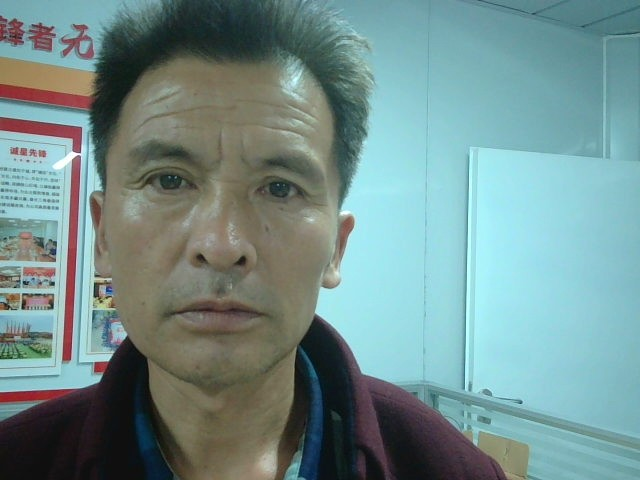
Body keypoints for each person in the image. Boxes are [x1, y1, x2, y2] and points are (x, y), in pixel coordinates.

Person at [0, 1, 506, 479]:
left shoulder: (446, 467)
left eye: (280, 188)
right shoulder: (19, 459)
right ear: (104, 233)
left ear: (337, 247)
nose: (222, 246)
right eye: (169, 180)